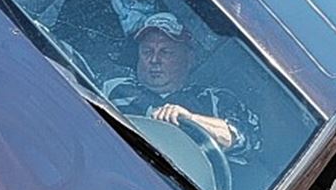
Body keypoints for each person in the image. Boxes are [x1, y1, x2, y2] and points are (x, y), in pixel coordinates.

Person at [107, 12, 260, 163]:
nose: (154, 60)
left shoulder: (215, 100)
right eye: (147, 51)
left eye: (165, 52)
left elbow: (248, 140)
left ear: (189, 58)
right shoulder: (115, 87)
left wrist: (190, 119)